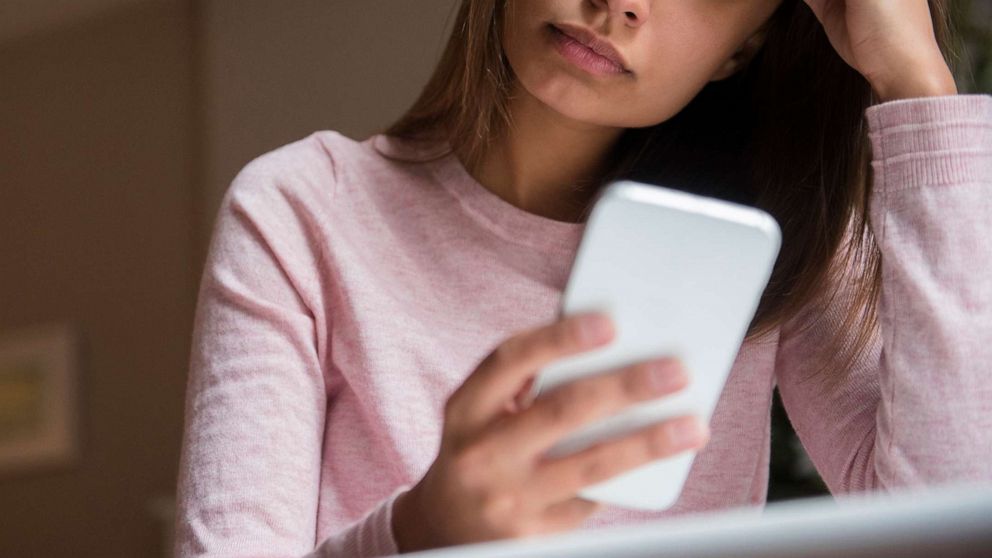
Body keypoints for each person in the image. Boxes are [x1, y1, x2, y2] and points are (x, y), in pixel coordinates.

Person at [172, 0, 992, 556]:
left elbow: (949, 523)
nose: (624, 2)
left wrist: (916, 83)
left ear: (740, 49)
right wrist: (420, 531)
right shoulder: (302, 211)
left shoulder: (776, 247)